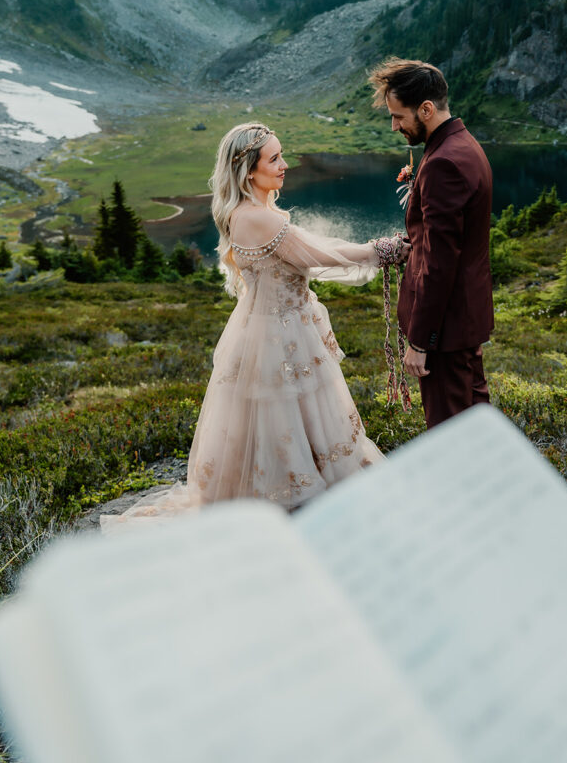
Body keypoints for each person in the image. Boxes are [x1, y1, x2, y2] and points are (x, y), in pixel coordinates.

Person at [100, 123, 406, 530]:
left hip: (277, 328)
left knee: (291, 416)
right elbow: (317, 252)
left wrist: (374, 251)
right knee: (291, 414)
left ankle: (297, 485)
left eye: (282, 155)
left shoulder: (251, 213)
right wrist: (378, 251)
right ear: (248, 171)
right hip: (281, 337)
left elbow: (312, 244)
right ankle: (296, 497)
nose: (284, 165)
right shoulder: (257, 219)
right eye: (274, 159)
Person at [369, 58, 494, 429]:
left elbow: (439, 264)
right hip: (463, 322)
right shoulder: (463, 145)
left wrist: (421, 342)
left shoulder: (443, 163)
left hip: (446, 332)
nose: (395, 126)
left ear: (426, 109)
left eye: (398, 116)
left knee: (449, 437)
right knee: (475, 428)